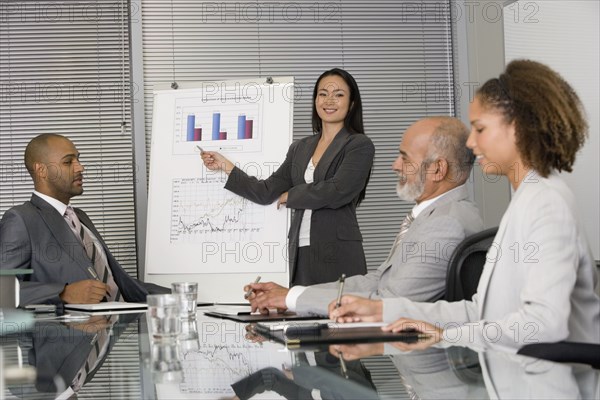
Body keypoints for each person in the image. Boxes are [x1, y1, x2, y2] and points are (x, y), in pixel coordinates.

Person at [329, 60, 600, 352]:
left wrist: (449, 336)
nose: (470, 142)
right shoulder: (526, 200)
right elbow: (483, 311)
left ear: (518, 128)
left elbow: (543, 324)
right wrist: (386, 312)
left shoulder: (547, 203)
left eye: (480, 129)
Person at [245, 116, 483, 316]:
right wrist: (293, 297)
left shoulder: (445, 225)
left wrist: (293, 299)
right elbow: (380, 280)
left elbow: (386, 303)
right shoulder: (438, 214)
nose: (395, 165)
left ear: (437, 169)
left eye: (405, 158)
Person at [201, 68, 375, 286]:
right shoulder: (300, 148)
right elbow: (265, 192)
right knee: (301, 316)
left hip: (337, 251)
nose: (329, 100)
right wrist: (225, 166)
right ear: (315, 100)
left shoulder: (359, 145)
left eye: (338, 94)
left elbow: (338, 191)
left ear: (351, 104)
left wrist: (291, 195)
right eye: (323, 94)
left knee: (336, 317)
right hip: (300, 251)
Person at [0, 133, 168, 306]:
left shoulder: (79, 217)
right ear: (41, 170)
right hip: (76, 330)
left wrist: (182, 295)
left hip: (121, 325)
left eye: (78, 160)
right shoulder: (21, 219)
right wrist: (63, 293)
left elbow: (121, 284)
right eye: (68, 162)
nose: (80, 168)